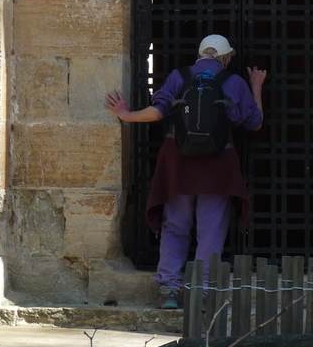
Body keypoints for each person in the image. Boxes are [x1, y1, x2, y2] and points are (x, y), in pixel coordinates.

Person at [105, 34, 267, 309]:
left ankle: (169, 289)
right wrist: (256, 87)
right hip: (218, 163)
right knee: (211, 229)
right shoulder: (234, 82)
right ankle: (201, 293)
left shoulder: (179, 77)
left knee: (175, 224)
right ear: (226, 58)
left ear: (200, 54)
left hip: (178, 161)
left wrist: (126, 114)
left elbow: (157, 112)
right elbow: (255, 123)